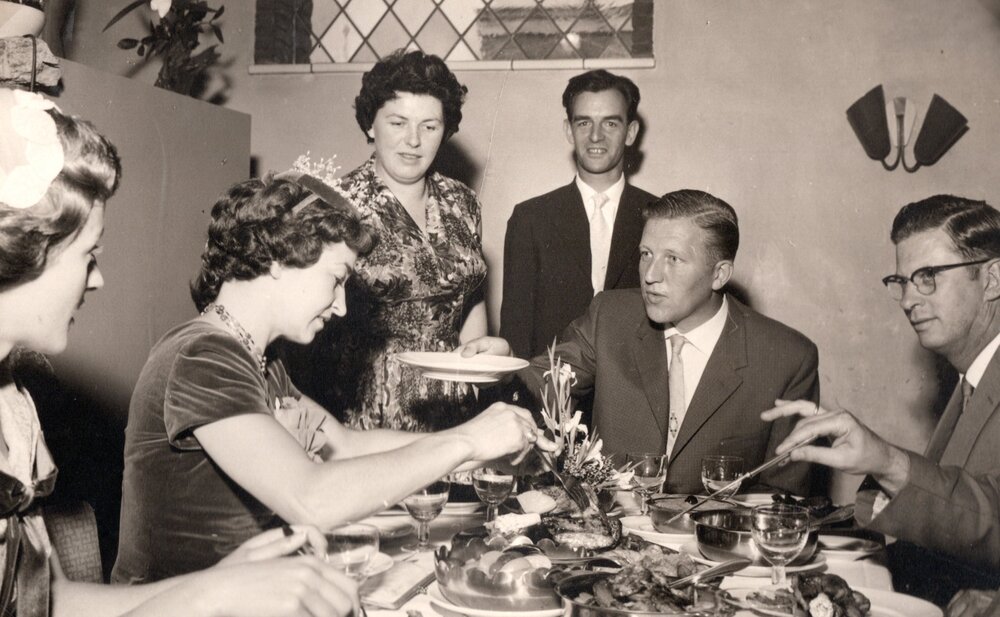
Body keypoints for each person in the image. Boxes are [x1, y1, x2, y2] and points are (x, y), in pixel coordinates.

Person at [0, 87, 361, 617]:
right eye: (88, 254)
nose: (98, 279)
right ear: (24, 253)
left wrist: (217, 584)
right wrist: (208, 593)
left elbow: (47, 603)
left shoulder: (12, 404)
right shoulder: (201, 353)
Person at [112, 171, 553, 583]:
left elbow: (345, 446)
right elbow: (312, 499)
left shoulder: (257, 358)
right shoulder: (203, 356)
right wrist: (469, 440)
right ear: (279, 259)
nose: (341, 306)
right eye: (336, 279)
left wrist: (485, 451)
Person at [466, 189, 819, 496]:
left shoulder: (785, 358)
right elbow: (545, 379)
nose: (650, 275)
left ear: (719, 274)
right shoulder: (610, 316)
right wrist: (504, 365)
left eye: (673, 259)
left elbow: (783, 499)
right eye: (646, 254)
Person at [763, 195, 1000, 606]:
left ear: (993, 279)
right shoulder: (971, 380)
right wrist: (872, 460)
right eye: (901, 281)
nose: (908, 300)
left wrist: (888, 461)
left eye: (928, 276)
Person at [292, 49, 487, 432]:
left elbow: (471, 296)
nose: (413, 140)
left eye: (429, 126)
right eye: (398, 123)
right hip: (366, 409)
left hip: (454, 405)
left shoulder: (463, 201)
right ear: (371, 124)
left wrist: (479, 371)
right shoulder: (333, 204)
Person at [500, 69, 657, 360]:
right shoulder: (531, 219)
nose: (595, 136)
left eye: (610, 123)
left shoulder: (659, 216)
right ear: (569, 131)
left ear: (631, 132)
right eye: (584, 122)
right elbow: (515, 332)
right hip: (551, 383)